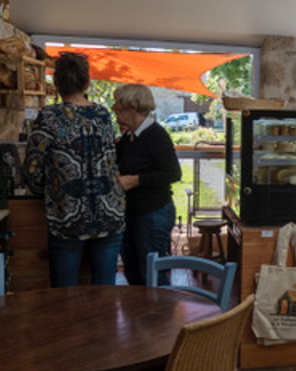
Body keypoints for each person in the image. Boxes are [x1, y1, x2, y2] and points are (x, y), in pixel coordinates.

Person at [23, 52, 125, 287]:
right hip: (108, 213)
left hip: (67, 216)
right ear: (87, 82)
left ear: (56, 83)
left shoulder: (48, 117)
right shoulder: (102, 115)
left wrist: (49, 192)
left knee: (64, 296)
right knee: (105, 291)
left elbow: (32, 168)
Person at [112, 84, 182, 286]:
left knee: (153, 277)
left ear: (132, 107)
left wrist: (134, 180)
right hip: (135, 214)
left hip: (153, 214)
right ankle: (141, 317)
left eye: (118, 104)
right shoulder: (129, 136)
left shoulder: (155, 135)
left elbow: (173, 173)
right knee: (134, 274)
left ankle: (161, 317)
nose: (113, 108)